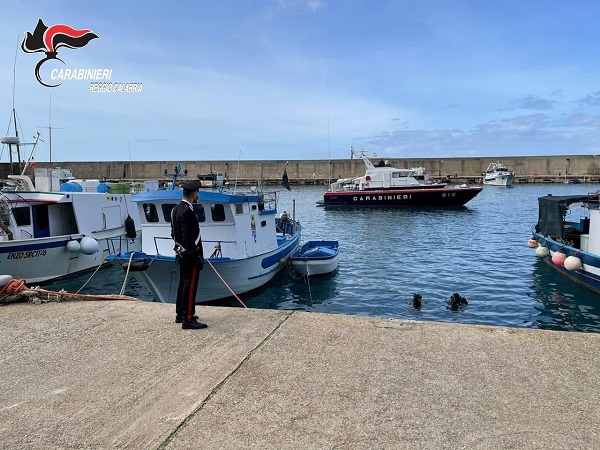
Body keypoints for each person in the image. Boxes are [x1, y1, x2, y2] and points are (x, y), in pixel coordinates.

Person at [171, 179, 207, 329]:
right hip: (190, 256)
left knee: (183, 285)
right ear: (194, 194)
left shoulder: (175, 209)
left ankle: (181, 314)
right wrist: (195, 256)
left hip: (181, 254)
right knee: (190, 286)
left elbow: (173, 234)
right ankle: (188, 318)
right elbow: (188, 238)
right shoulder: (188, 212)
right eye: (197, 193)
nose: (198, 195)